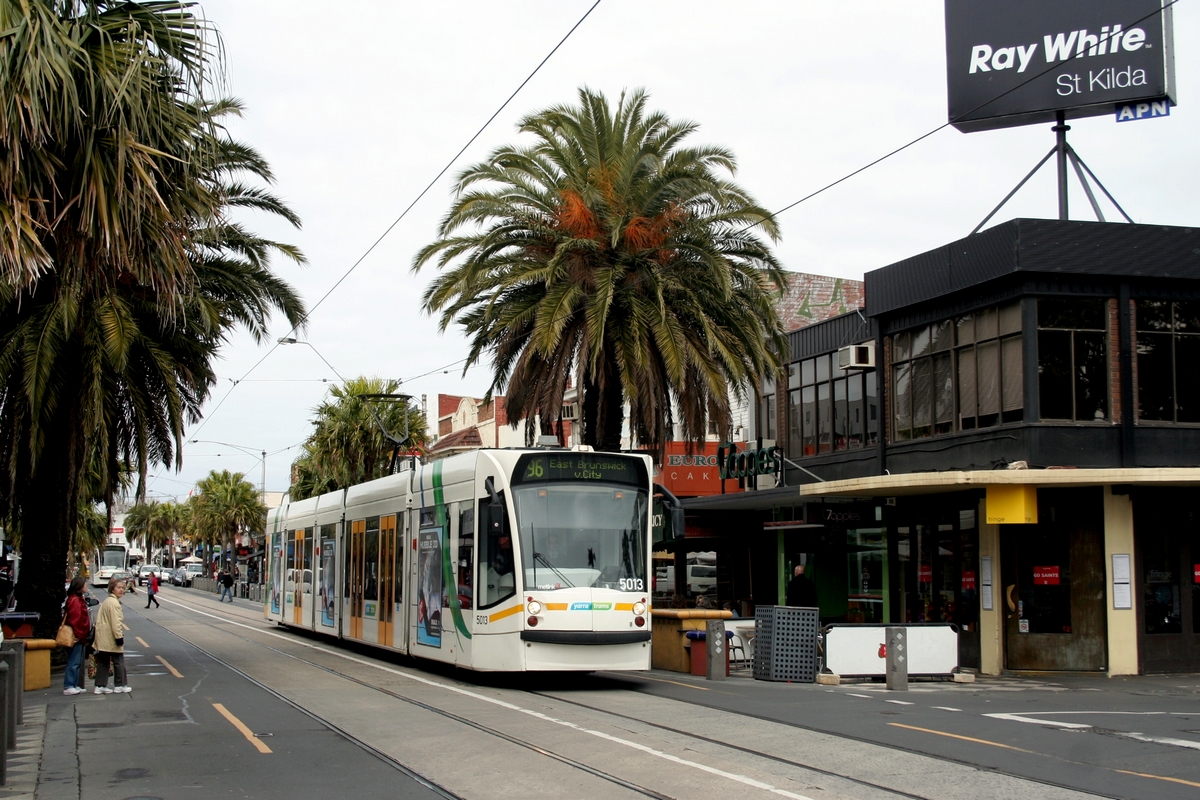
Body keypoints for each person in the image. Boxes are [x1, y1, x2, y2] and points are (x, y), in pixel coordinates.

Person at [94, 577, 129, 694]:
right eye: (119, 587)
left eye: (123, 588)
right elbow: (116, 622)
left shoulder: (107, 601)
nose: (121, 590)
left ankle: (100, 685)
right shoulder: (114, 603)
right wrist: (119, 637)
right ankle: (120, 684)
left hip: (103, 636)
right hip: (111, 637)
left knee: (103, 661)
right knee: (119, 661)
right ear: (112, 589)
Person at [62, 578, 91, 696]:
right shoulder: (75, 600)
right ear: (79, 586)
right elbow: (75, 619)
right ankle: (69, 685)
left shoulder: (77, 599)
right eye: (85, 584)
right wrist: (79, 635)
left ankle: (73, 684)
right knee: (73, 661)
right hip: (76, 635)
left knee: (76, 660)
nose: (87, 586)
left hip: (78, 635)